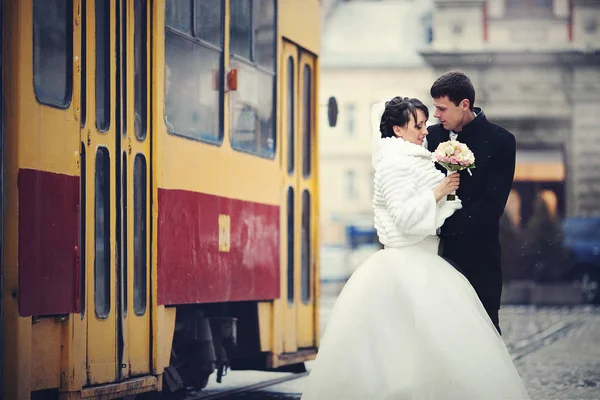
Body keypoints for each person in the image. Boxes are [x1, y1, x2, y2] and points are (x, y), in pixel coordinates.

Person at [300, 97, 529, 400]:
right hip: (403, 267)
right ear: (397, 129)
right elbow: (405, 218)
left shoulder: (417, 160)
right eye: (418, 125)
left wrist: (450, 190)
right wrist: (440, 191)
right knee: (402, 357)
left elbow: (442, 212)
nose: (425, 131)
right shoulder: (393, 165)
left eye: (424, 124)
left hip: (428, 262)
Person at [426, 71, 516, 334]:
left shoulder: (501, 141)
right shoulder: (429, 137)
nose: (436, 115)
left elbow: (492, 205)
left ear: (464, 105)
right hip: (434, 254)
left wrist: (444, 221)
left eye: (442, 108)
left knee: (484, 329)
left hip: (479, 257)